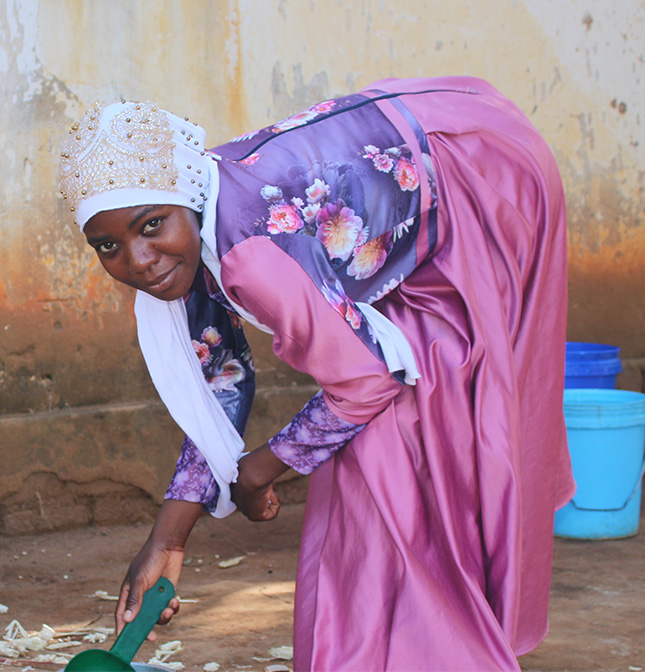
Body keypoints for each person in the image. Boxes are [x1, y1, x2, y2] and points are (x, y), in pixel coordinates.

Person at [56, 76, 574, 670]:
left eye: (151, 226)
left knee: (415, 429)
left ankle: (441, 636)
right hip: (431, 144)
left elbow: (365, 381)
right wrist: (168, 538)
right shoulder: (192, 234)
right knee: (379, 451)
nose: (138, 261)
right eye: (107, 246)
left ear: (186, 196)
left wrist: (258, 471)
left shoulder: (249, 253)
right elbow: (220, 377)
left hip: (480, 171)